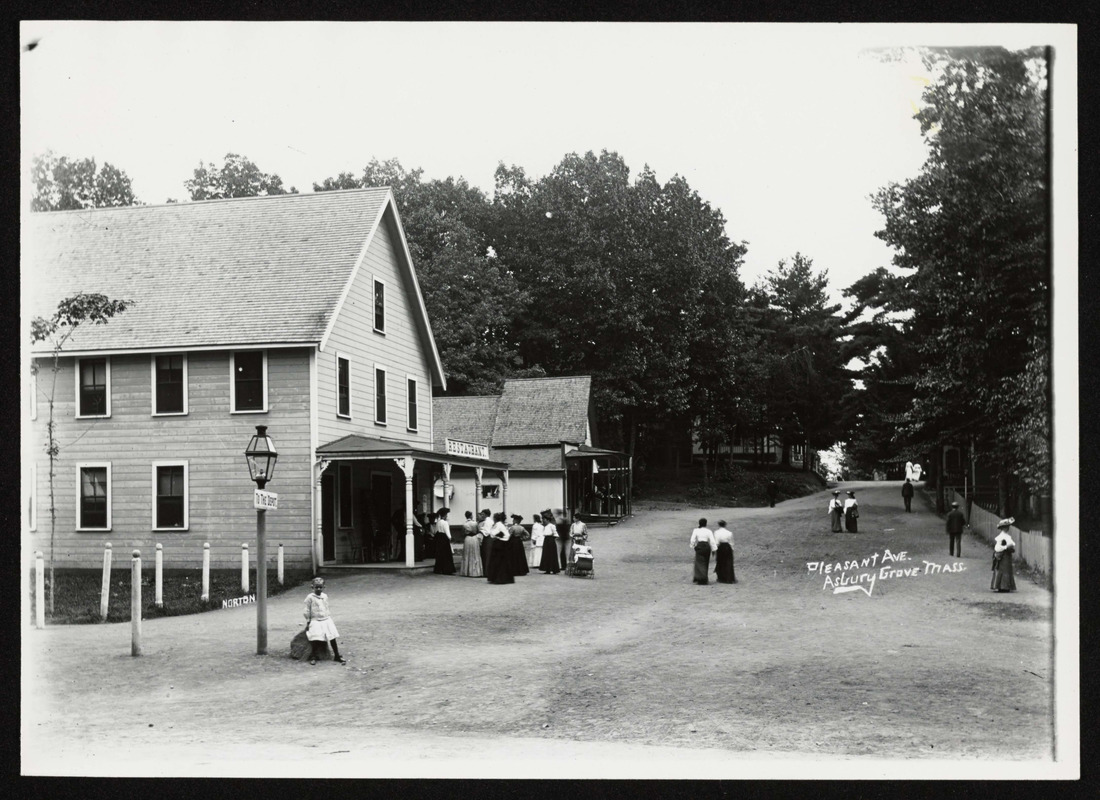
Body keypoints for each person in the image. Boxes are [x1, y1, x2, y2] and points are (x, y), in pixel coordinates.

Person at [303, 577, 345, 665]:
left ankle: (336, 655)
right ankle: (313, 656)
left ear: (323, 587)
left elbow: (326, 607)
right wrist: (308, 621)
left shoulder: (325, 596)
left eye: (320, 587)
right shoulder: (310, 597)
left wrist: (327, 616)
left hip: (326, 619)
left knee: (332, 636)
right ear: (312, 587)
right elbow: (307, 610)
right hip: (315, 620)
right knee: (315, 638)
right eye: (316, 587)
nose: (318, 589)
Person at [486, 512, 515, 584]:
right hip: (500, 543)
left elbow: (493, 533)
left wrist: (498, 536)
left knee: (498, 561)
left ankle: (500, 578)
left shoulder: (498, 525)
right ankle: (497, 577)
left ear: (495, 518)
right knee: (499, 561)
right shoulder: (499, 525)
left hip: (499, 544)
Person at [991, 518, 1017, 592]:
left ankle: (1005, 586)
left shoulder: (1006, 536)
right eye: (1006, 527)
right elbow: (998, 548)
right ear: (1002, 528)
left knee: (1006, 569)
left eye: (1008, 526)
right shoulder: (1002, 537)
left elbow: (1012, 544)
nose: (1007, 528)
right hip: (1003, 555)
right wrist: (1006, 547)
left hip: (1006, 555)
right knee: (1002, 569)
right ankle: (1002, 586)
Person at [689, 518, 717, 585]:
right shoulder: (709, 531)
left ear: (699, 523)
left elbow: (692, 540)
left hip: (700, 546)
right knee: (706, 562)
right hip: (707, 546)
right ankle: (705, 578)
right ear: (706, 524)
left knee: (699, 562)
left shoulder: (696, 530)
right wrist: (714, 549)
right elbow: (712, 541)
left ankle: (699, 578)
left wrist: (693, 546)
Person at [459, 511, 483, 577]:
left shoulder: (464, 524)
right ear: (471, 516)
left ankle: (466, 571)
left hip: (467, 539)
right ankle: (475, 571)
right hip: (474, 538)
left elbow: (462, 533)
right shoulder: (475, 523)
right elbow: (478, 531)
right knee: (475, 554)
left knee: (467, 554)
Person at [432, 508, 456, 575]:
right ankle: (447, 569)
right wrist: (450, 538)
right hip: (444, 538)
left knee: (440, 554)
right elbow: (447, 532)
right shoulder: (445, 523)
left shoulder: (438, 522)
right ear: (445, 515)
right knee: (446, 554)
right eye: (446, 515)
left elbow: (435, 531)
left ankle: (439, 569)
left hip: (439, 538)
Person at [478, 509, 494, 575]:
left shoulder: (487, 521)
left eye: (482, 514)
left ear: (486, 514)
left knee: (487, 555)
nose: (481, 515)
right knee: (487, 554)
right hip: (488, 538)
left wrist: (480, 531)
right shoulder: (488, 520)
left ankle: (487, 572)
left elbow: (487, 531)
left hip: (487, 538)